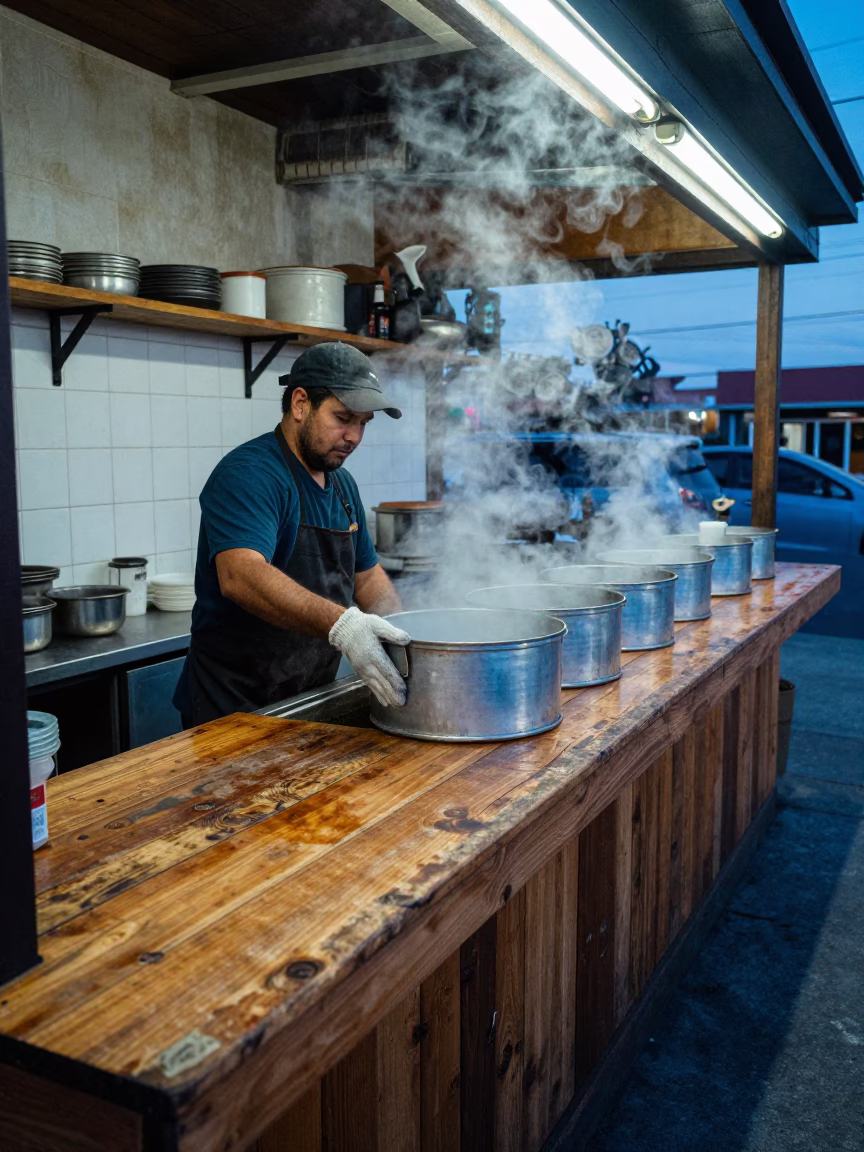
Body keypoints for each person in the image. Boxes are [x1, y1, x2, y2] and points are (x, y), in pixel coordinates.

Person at [173, 342, 411, 727]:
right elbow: (240, 574)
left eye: (363, 423)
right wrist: (345, 626)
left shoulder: (342, 485)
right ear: (300, 404)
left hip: (306, 700)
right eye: (343, 417)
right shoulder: (251, 474)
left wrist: (408, 639)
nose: (354, 436)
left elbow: (368, 577)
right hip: (232, 712)